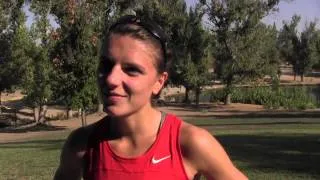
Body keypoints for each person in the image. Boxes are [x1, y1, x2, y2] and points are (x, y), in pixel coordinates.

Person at [54, 15, 248, 180]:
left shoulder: (191, 143)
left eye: (131, 70)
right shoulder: (81, 145)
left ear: (159, 82)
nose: (111, 79)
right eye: (106, 65)